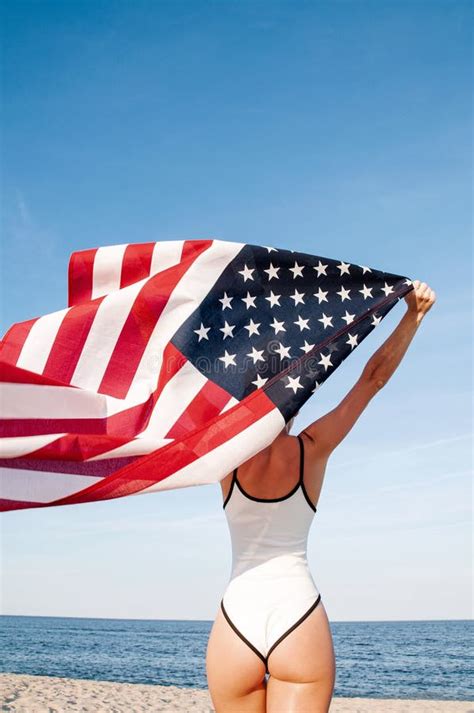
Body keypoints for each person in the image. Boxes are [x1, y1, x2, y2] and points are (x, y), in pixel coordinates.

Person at [206, 280, 436, 713]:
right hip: (297, 613)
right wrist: (413, 316)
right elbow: (372, 381)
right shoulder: (312, 448)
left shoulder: (223, 457)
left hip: (236, 618)